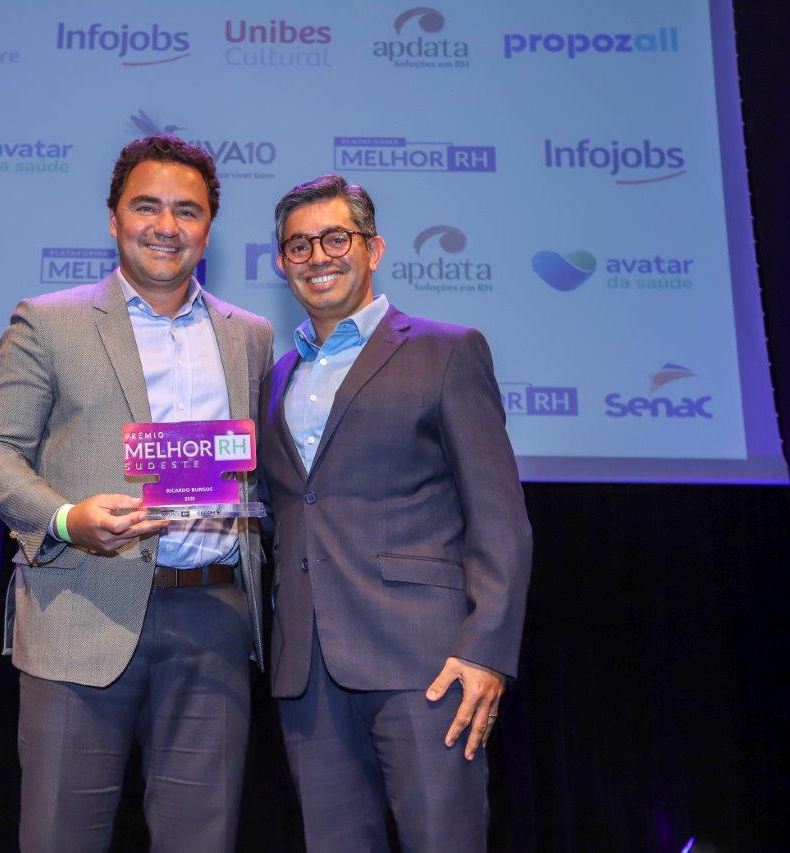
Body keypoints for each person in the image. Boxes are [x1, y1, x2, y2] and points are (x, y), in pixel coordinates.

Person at [0, 135, 273, 851]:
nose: (166, 226)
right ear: (113, 218)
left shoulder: (251, 336)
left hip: (214, 616)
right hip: (81, 607)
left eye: (187, 211)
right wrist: (66, 518)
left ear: (208, 228)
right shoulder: (49, 320)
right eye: (146, 206)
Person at [258, 174, 533, 851]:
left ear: (373, 248)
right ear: (282, 263)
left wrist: (485, 652)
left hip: (428, 664)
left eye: (335, 239)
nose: (317, 257)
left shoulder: (447, 350)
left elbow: (500, 519)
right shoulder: (275, 377)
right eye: (298, 246)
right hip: (306, 669)